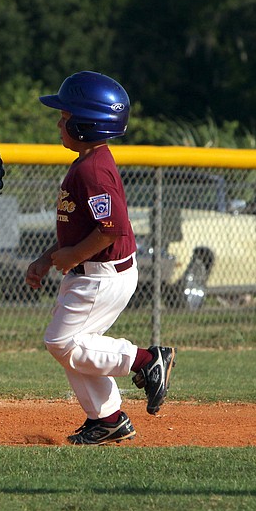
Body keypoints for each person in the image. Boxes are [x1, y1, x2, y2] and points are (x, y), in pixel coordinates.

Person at [25, 71, 176, 445]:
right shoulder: (89, 163)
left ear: (85, 123)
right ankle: (107, 420)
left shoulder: (93, 171)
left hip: (100, 275)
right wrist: (47, 259)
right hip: (93, 272)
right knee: (75, 347)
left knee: (63, 344)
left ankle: (145, 361)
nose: (59, 123)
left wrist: (72, 255)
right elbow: (79, 228)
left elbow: (112, 228)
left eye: (64, 117)